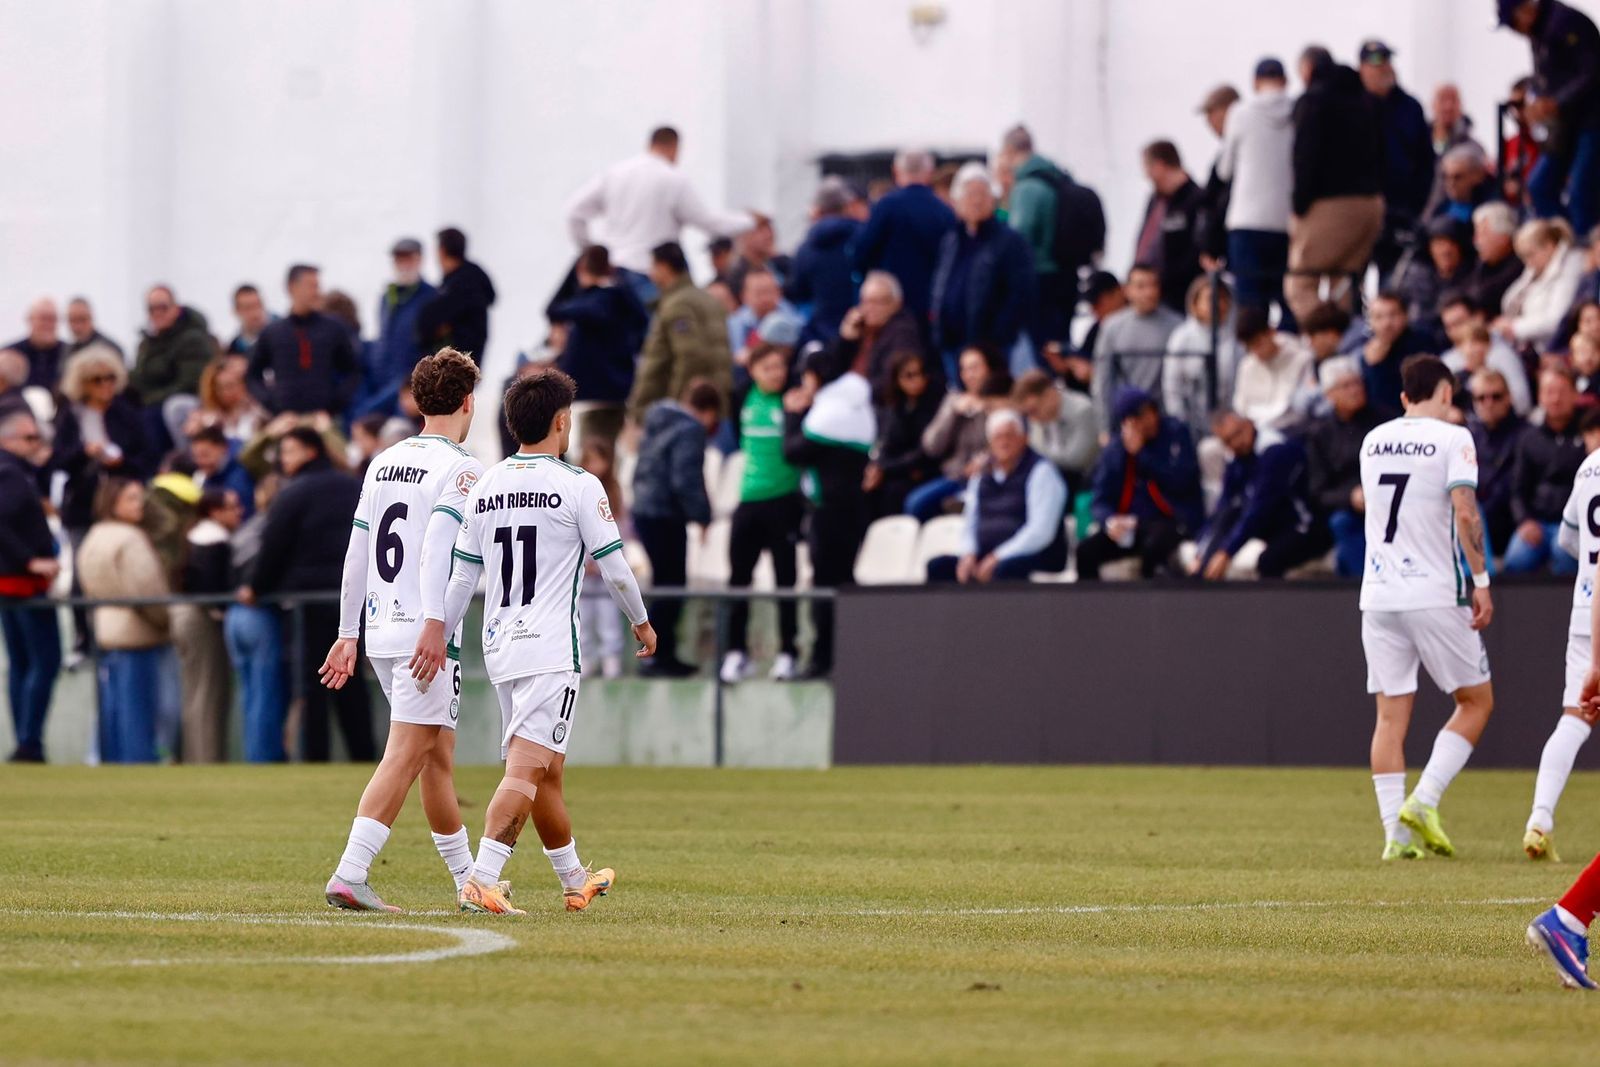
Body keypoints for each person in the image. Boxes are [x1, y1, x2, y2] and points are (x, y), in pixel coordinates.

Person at [424, 366, 654, 915]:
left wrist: (442, 635)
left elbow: (462, 577)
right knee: (527, 768)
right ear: (560, 421)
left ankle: (576, 879)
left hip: (501, 644)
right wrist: (641, 622)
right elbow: (616, 569)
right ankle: (481, 879)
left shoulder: (486, 484)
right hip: (551, 648)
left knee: (546, 768)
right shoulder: (578, 485)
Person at [313, 348, 484, 912]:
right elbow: (437, 546)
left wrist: (347, 630)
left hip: (383, 627)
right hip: (422, 633)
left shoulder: (384, 460)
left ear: (416, 402)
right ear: (467, 402)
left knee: (435, 752)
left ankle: (470, 883)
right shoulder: (461, 467)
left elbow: (358, 547)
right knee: (408, 752)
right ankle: (350, 872)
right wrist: (436, 623)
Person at [1357, 355, 1493, 862]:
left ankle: (1396, 835)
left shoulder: (1373, 440)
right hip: (1433, 590)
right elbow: (1464, 509)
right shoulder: (1453, 436)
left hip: (1379, 595)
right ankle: (1425, 799)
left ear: (1402, 398)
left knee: (1390, 718)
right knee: (1476, 702)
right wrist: (1480, 580)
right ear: (1445, 393)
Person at [247, 426, 374, 762]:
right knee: (352, 683)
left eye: (289, 451)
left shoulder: (293, 493)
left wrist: (255, 587)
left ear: (310, 451)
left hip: (306, 603)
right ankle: (363, 754)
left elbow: (273, 546)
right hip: (350, 598)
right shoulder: (352, 486)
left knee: (313, 682)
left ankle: (315, 757)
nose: (282, 459)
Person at [1521, 408, 1600, 864]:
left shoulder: (1588, 466)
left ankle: (1541, 817)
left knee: (1574, 718)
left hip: (1586, 610)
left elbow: (1567, 541)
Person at [566, 126, 753, 303]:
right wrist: (750, 221)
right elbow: (709, 222)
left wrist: (591, 253)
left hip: (616, 272)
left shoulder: (615, 174)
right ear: (675, 148)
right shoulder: (673, 179)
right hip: (654, 274)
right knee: (658, 332)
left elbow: (574, 212)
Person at [51, 345, 154, 662]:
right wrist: (87, 453)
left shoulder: (126, 413)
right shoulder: (70, 417)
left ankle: (124, 632)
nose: (105, 385)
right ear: (83, 383)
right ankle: (84, 636)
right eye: (96, 380)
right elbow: (59, 460)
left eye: (110, 378)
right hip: (83, 505)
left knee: (123, 570)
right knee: (83, 574)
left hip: (120, 504)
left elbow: (146, 456)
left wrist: (120, 461)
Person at [782, 353, 875, 679]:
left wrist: (792, 415)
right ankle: (846, 656)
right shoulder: (856, 407)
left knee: (825, 587)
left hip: (830, 513)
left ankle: (823, 659)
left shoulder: (830, 413)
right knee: (842, 582)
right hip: (853, 511)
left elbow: (792, 451)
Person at [721, 345, 803, 684]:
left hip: (784, 501)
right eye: (768, 367)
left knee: (786, 580)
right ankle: (736, 653)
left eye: (780, 367)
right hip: (748, 500)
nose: (776, 373)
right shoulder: (741, 396)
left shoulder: (793, 399)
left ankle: (788, 653)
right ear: (753, 370)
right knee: (738, 579)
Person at [1286, 47, 1385, 324]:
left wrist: (1299, 204)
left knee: (1300, 283)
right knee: (1345, 284)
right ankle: (1348, 345)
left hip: (1329, 203)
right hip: (1371, 204)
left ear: (1307, 69)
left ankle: (1326, 342)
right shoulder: (1366, 101)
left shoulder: (1313, 102)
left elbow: (1305, 156)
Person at [77, 478, 172, 764]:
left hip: (106, 628)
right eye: (131, 498)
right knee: (139, 712)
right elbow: (148, 592)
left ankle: (111, 763)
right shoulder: (130, 538)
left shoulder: (94, 535)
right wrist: (165, 620)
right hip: (137, 632)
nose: (139, 504)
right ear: (112, 502)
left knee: (114, 709)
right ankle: (139, 764)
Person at [631, 380, 720, 677]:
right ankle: (660, 655)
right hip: (666, 515)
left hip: (645, 511)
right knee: (672, 585)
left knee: (664, 583)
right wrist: (703, 516)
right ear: (709, 412)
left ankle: (655, 654)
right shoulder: (691, 429)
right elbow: (685, 480)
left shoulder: (658, 419)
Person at [1077, 390, 1204, 580]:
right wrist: (1110, 521)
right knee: (1086, 551)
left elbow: (1182, 483)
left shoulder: (1176, 434)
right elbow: (1100, 498)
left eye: (1149, 412)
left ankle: (1148, 606)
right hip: (1129, 525)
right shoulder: (1115, 450)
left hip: (1170, 520)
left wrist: (1142, 455)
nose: (1148, 420)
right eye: (1138, 417)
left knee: (1155, 545)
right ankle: (1092, 608)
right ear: (1126, 423)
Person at [930, 163, 1037, 383]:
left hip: (991, 347)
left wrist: (997, 337)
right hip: (953, 343)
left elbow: (1022, 292)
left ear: (993, 199)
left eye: (982, 194)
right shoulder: (951, 240)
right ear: (956, 201)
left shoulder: (1009, 241)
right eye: (969, 194)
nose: (976, 201)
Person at [1500, 0, 1600, 235]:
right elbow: (1543, 76)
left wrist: (1556, 102)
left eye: (1513, 22)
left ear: (1525, 10)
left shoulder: (1566, 22)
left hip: (1591, 123)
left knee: (1580, 192)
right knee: (1538, 186)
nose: (1514, 30)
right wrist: (1534, 100)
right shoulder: (1539, 31)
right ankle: (1567, 243)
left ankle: (1587, 253)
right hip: (1563, 127)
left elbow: (1592, 72)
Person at [1193, 411, 1325, 579]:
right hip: (1272, 524)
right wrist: (1202, 550)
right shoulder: (1236, 458)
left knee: (1268, 561)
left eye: (1238, 434)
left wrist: (1226, 552)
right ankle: (1200, 579)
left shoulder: (1275, 450)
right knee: (1229, 515)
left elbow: (1259, 508)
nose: (1235, 443)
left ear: (1249, 424)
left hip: (1302, 524)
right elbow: (1224, 505)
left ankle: (1277, 604)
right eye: (1227, 441)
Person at [0, 410, 60, 763]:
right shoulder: (10, 472)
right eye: (30, 438)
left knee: (23, 663)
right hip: (22, 584)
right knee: (42, 660)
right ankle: (29, 741)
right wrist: (29, 560)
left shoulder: (16, 471)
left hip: (13, 583)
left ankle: (26, 740)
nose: (37, 444)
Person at [1217, 58, 1295, 325]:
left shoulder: (1240, 112)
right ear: (1285, 81)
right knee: (1287, 300)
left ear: (1255, 82)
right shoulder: (1297, 112)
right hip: (1286, 221)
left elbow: (1224, 170)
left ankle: (1254, 362)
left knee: (1250, 304)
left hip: (1247, 220)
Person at [549, 244, 650, 435]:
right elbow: (642, 321)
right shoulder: (623, 297)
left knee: (593, 452)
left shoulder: (596, 302)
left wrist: (576, 271)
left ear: (583, 268)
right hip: (618, 387)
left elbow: (554, 308)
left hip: (593, 394)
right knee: (606, 451)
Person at [995, 124, 1080, 350]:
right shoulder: (1055, 176)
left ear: (1009, 151)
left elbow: (1019, 237)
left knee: (1042, 347)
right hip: (1064, 274)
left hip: (1042, 279)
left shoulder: (1027, 187)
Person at [1358, 39, 1435, 285]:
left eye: (1387, 60)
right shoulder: (1354, 107)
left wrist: (1419, 204)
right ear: (1362, 68)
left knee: (1394, 281)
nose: (1384, 67)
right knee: (1352, 279)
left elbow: (1426, 159)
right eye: (1376, 62)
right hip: (1364, 207)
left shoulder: (1409, 106)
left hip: (1403, 208)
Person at [628, 242, 734, 422]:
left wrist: (674, 406)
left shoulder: (678, 304)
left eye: (653, 266)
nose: (650, 273)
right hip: (715, 405)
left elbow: (689, 356)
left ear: (664, 267)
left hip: (693, 410)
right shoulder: (707, 298)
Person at [1306, 357, 1393, 577]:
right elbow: (1318, 492)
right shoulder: (1321, 433)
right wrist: (1349, 498)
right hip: (1350, 510)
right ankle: (1366, 583)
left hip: (1389, 500)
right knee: (1341, 523)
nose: (1355, 390)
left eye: (1357, 383)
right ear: (1329, 395)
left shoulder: (1385, 420)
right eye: (1346, 386)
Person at [851, 148, 958, 324]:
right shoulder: (944, 211)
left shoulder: (885, 207)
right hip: (930, 307)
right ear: (930, 173)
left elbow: (861, 252)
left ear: (896, 171)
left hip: (889, 307)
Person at [174, 489, 240, 765]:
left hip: (184, 615)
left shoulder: (194, 535)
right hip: (201, 619)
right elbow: (213, 587)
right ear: (215, 511)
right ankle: (206, 758)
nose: (239, 512)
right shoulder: (213, 540)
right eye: (232, 507)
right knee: (208, 692)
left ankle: (197, 756)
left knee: (195, 690)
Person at [907, 344, 1010, 521]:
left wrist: (984, 460)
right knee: (916, 503)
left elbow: (1007, 443)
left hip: (989, 476)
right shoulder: (953, 399)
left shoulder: (1002, 400)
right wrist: (953, 413)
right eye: (964, 369)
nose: (969, 375)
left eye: (975, 368)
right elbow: (931, 446)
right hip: (956, 477)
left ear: (989, 367)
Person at [226, 476, 287, 763]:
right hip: (259, 614)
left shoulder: (246, 527)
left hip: (234, 616)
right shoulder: (273, 527)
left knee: (248, 693)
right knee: (266, 692)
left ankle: (254, 753)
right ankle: (264, 756)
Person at [247, 265, 360, 415]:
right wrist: (272, 404)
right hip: (286, 422)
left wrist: (334, 406)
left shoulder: (333, 328)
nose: (316, 292)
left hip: (322, 421)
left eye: (317, 286)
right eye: (310, 286)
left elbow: (353, 371)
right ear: (292, 287)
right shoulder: (273, 332)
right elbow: (252, 375)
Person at [1504, 366, 1585, 575]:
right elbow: (1517, 489)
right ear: (1540, 396)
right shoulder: (1528, 439)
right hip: (1538, 521)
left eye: (1562, 391)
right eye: (1549, 391)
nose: (1556, 399)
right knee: (1516, 558)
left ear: (1575, 394)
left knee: (1563, 551)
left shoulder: (1590, 434)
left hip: (1574, 523)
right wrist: (1524, 521)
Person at [1091, 264, 1183, 431]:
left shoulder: (1177, 326)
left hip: (1166, 420)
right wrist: (1104, 428)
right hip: (1127, 421)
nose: (1149, 292)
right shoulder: (1112, 327)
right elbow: (1103, 381)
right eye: (1141, 286)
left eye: (1153, 285)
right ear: (1127, 290)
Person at [358, 238, 437, 420]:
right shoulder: (387, 297)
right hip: (383, 381)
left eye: (408, 258)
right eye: (399, 258)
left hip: (409, 386)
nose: (403, 264)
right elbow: (383, 338)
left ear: (419, 260)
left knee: (366, 416)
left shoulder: (431, 298)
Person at [129, 285, 213, 445]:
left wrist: (151, 398)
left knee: (164, 410)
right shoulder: (147, 343)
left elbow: (190, 383)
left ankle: (181, 459)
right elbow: (140, 377)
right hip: (153, 401)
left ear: (176, 308)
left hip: (188, 400)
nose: (157, 313)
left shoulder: (192, 339)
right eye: (152, 309)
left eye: (163, 307)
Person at [785, 177, 861, 347]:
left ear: (817, 210)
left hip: (821, 334)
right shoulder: (863, 237)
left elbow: (798, 290)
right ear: (847, 206)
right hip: (860, 330)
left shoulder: (805, 247)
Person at [1164, 275, 1242, 439]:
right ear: (1195, 303)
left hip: (1234, 424)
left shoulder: (1238, 336)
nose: (1217, 304)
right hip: (1193, 425)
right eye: (1210, 299)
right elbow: (1172, 387)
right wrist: (1181, 426)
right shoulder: (1182, 338)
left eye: (1222, 298)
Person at [576, 439, 629, 679]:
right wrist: (584, 561)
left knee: (608, 614)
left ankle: (611, 657)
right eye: (590, 461)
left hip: (605, 566)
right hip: (583, 569)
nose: (595, 466)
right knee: (584, 615)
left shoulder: (614, 492)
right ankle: (586, 656)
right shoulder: (576, 490)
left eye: (599, 460)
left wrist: (603, 560)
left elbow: (619, 529)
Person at [866, 350, 941, 517]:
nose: (917, 380)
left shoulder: (935, 405)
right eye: (909, 375)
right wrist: (877, 466)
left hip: (923, 469)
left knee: (895, 491)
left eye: (920, 374)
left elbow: (925, 450)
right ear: (897, 379)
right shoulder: (895, 407)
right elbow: (887, 443)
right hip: (897, 469)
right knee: (866, 489)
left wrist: (885, 468)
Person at [1134, 141, 1204, 312]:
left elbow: (1198, 250)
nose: (1146, 175)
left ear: (1159, 166)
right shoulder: (1156, 200)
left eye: (1147, 168)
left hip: (1180, 296)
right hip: (1152, 294)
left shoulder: (1196, 199)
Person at [1496, 217, 1586, 351]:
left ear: (1549, 246)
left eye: (1530, 255)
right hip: (1525, 343)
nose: (1527, 262)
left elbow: (1555, 320)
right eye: (1523, 257)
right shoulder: (1535, 267)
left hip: (1555, 347)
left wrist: (1514, 327)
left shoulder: (1571, 266)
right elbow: (1510, 299)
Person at [1468, 368, 1530, 558]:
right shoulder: (1466, 436)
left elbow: (1517, 487)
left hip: (1512, 521)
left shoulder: (1526, 434)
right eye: (1481, 398)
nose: (1489, 403)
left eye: (1496, 396)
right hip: (1477, 520)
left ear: (1508, 398)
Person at [836, 271, 927, 399]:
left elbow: (890, 382)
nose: (870, 308)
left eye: (877, 302)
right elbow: (833, 369)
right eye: (865, 301)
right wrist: (846, 341)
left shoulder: (903, 333)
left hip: (877, 407)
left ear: (896, 303)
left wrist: (853, 392)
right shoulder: (859, 328)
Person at [1439, 293, 1533, 414]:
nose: (1455, 331)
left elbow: (1522, 403)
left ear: (1478, 317)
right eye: (1449, 326)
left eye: (1460, 322)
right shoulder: (1447, 360)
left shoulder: (1502, 354)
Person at [1011, 369, 1099, 499]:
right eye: (1026, 414)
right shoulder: (1038, 418)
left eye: (1032, 410)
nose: (1031, 418)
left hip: (1087, 484)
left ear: (1049, 395)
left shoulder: (1082, 410)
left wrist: (1038, 457)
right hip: (1055, 484)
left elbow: (1077, 460)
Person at [415, 227, 496, 363]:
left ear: (441, 251)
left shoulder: (462, 285)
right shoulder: (471, 281)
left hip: (455, 367)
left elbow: (426, 324)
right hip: (465, 365)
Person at [1395, 216, 1474, 350]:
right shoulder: (1417, 276)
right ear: (1430, 248)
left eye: (1451, 243)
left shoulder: (1474, 276)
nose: (1445, 250)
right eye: (1439, 244)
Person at [1232, 306, 1312, 429]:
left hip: (1292, 429)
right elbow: (1240, 405)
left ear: (1271, 332)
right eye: (1249, 347)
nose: (1256, 352)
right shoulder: (1247, 365)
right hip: (1254, 430)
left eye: (1258, 344)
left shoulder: (1301, 358)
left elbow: (1301, 407)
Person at [1360, 292, 1432, 411]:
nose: (1386, 323)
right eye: (1379, 317)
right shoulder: (1366, 350)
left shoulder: (1423, 341)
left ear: (1405, 316)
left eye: (1393, 315)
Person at [189, 354, 267, 447]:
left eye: (230, 385)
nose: (226, 392)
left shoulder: (258, 410)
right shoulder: (211, 417)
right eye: (220, 388)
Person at [1464, 202, 1524, 318]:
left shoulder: (1519, 263)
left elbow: (1482, 297)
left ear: (1504, 236)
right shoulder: (1484, 264)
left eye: (1482, 234)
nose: (1476, 241)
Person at [188, 424, 255, 519]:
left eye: (205, 455)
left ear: (223, 448)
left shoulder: (240, 479)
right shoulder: (206, 477)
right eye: (195, 457)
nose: (199, 462)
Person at [1425, 144, 1497, 228]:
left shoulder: (1490, 210)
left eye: (1458, 177)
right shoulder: (1438, 208)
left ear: (1478, 175)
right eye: (1446, 177)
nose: (1451, 183)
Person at [7, 298, 67, 390]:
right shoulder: (10, 354)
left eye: (52, 319)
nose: (48, 324)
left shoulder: (71, 353)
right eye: (43, 318)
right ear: (30, 320)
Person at [228, 284, 271, 356]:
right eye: (248, 308)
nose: (256, 313)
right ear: (236, 312)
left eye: (258, 305)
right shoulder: (234, 351)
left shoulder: (287, 331)